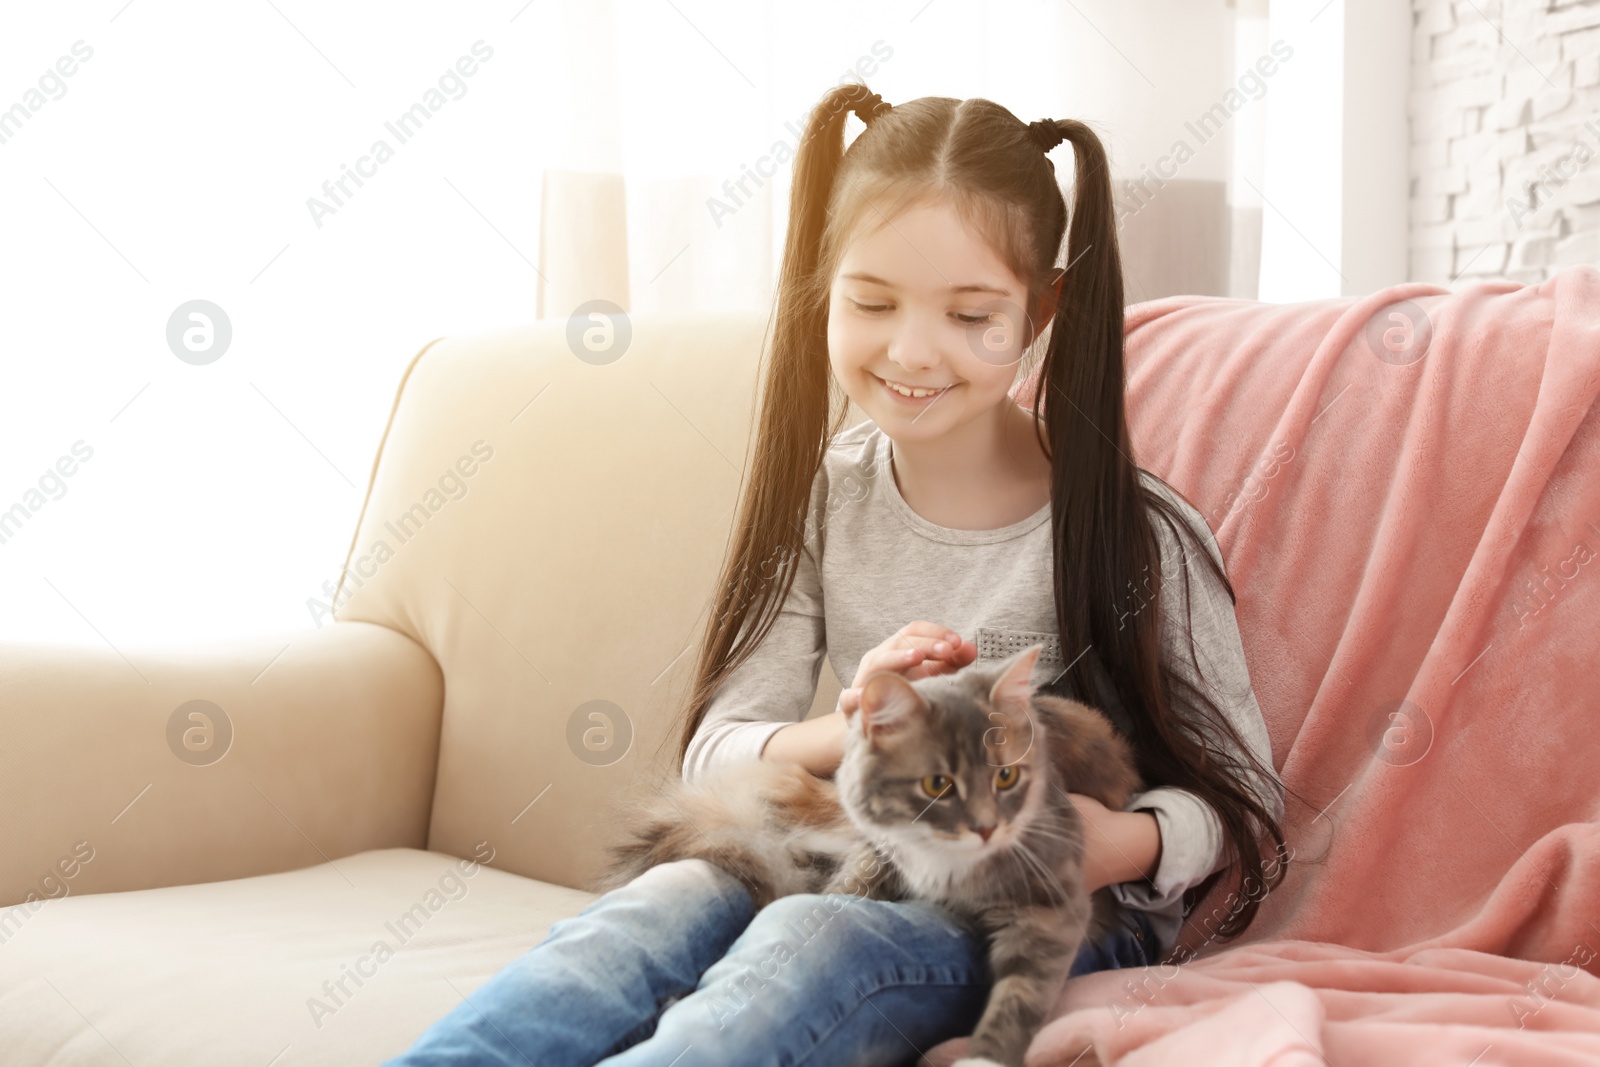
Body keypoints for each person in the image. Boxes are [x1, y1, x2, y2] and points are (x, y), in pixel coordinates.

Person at [385, 83, 1287, 1067]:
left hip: (1041, 903)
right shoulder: (825, 497)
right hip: (871, 855)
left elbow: (1242, 805)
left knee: (811, 939)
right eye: (871, 302)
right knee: (667, 895)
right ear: (824, 284)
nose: (910, 348)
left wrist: (1129, 841)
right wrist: (849, 723)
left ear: (1041, 309)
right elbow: (716, 755)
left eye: (969, 312)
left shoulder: (1136, 529)